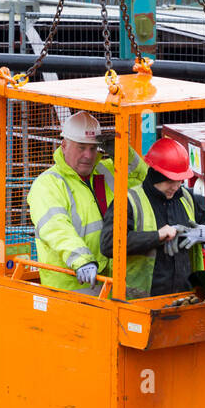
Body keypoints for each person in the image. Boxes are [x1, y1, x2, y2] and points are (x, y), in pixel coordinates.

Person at [27, 110, 146, 293]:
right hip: (71, 286)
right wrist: (82, 260)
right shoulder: (47, 184)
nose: (88, 155)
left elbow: (147, 183)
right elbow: (57, 228)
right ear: (64, 145)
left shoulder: (107, 171)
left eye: (93, 148)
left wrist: (125, 154)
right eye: (81, 147)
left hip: (111, 282)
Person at [100, 137, 205, 299]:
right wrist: (156, 236)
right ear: (156, 174)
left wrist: (203, 232)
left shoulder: (186, 198)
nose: (176, 187)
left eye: (179, 181)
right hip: (140, 303)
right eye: (170, 181)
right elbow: (109, 245)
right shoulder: (128, 202)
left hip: (185, 297)